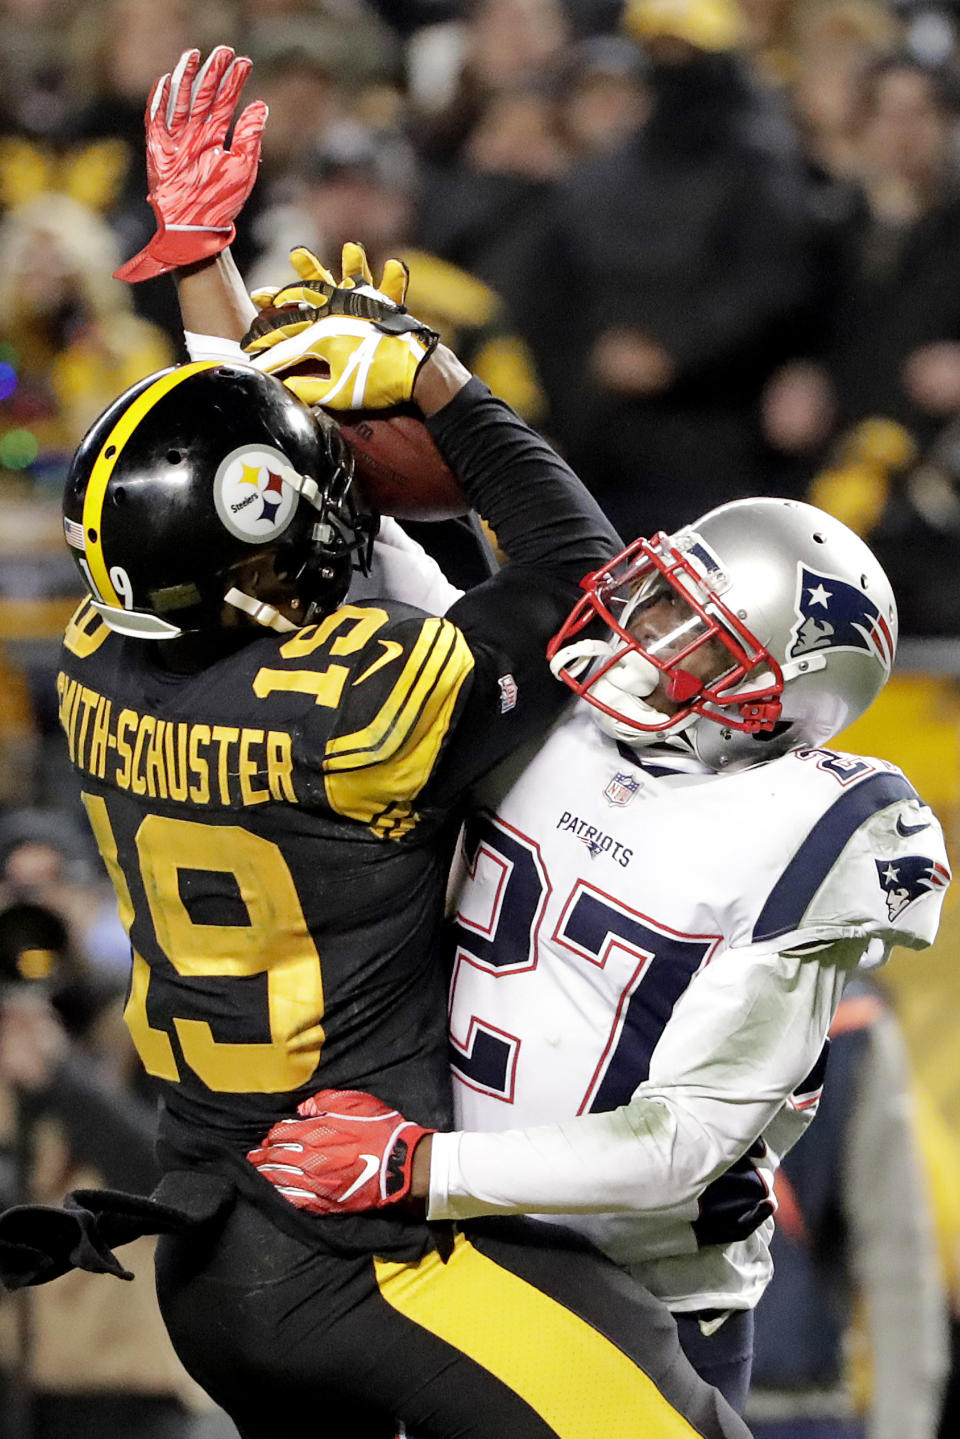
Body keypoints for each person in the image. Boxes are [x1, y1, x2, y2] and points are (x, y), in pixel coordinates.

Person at [1, 47, 755, 1439]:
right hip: (363, 1234)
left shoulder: (103, 663)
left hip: (216, 1232)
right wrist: (452, 396)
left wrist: (201, 283)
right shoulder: (359, 703)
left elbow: (224, 521)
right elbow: (585, 574)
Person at [249, 494, 950, 1415]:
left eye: (689, 627)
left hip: (646, 1296)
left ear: (776, 698)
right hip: (453, 1256)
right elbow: (422, 599)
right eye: (657, 594)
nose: (640, 629)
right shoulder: (566, 713)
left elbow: (679, 1142)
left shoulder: (808, 836)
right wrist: (325, 485)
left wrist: (424, 1166)